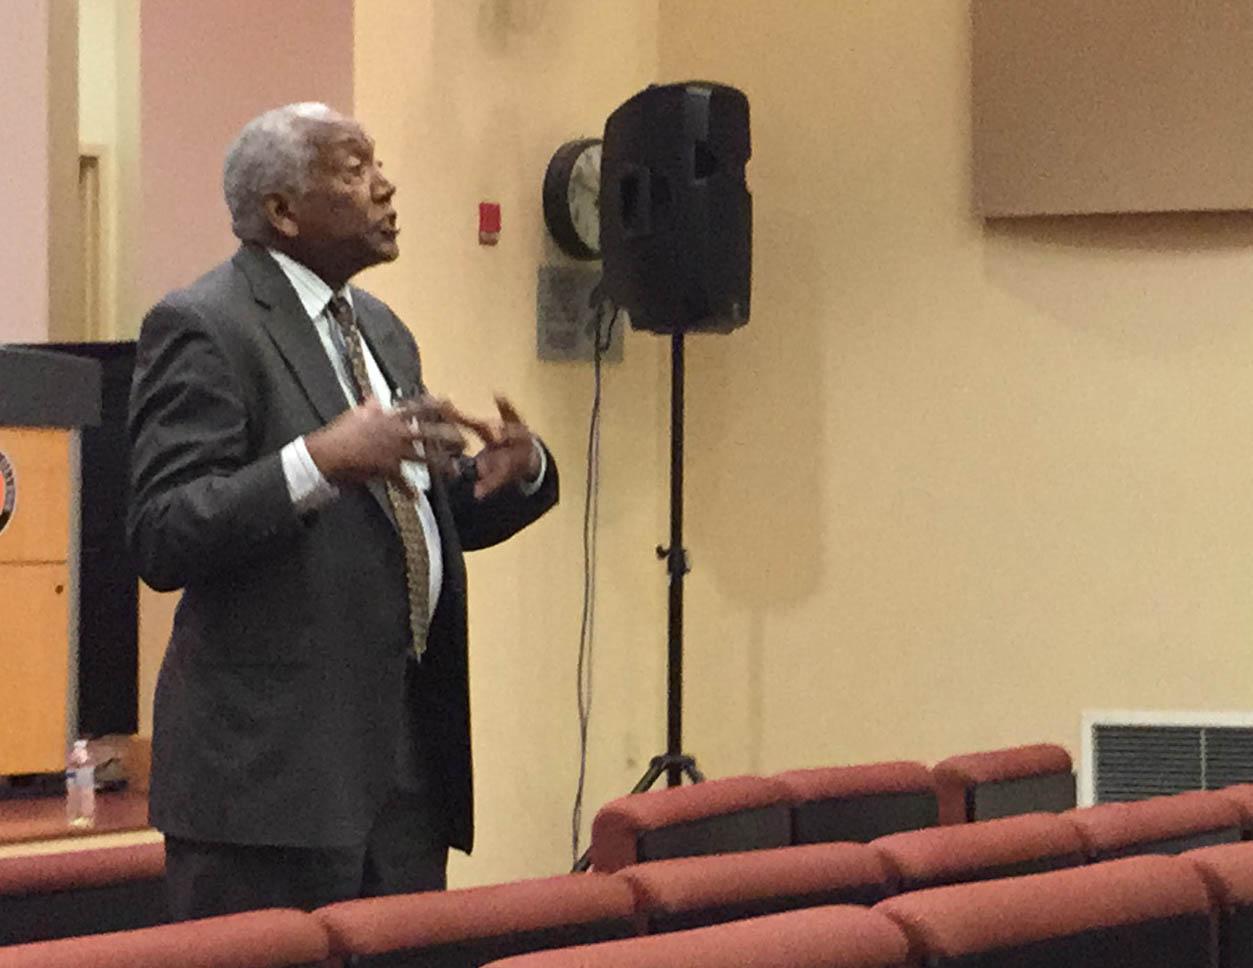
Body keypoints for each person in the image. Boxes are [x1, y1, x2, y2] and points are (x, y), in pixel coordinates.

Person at [127, 102, 559, 919]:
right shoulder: (205, 324)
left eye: (378, 165)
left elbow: (401, 524)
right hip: (267, 788)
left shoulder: (383, 333)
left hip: (402, 772)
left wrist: (515, 473)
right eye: (354, 170)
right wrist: (316, 460)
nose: (386, 186)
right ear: (282, 212)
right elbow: (162, 530)